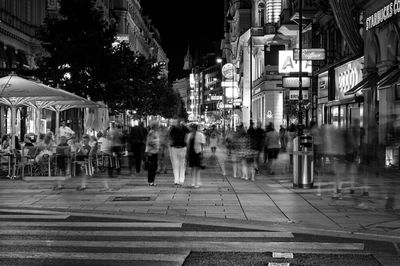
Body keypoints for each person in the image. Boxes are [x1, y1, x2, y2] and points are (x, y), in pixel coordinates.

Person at [169, 118, 190, 186]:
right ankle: (179, 180)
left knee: (178, 165)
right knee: (180, 164)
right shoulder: (181, 128)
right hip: (180, 147)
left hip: (177, 147)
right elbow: (170, 136)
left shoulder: (174, 128)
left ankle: (178, 180)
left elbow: (170, 136)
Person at [186, 123, 206, 188]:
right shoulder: (189, 135)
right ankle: (193, 181)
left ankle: (197, 182)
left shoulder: (200, 135)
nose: (192, 129)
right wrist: (186, 154)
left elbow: (202, 144)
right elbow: (187, 145)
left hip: (197, 152)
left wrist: (202, 153)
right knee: (192, 168)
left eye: (193, 128)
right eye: (191, 128)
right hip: (191, 153)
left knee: (197, 168)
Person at [145, 121, 160, 186]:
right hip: (151, 152)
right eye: (157, 125)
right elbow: (149, 142)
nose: (158, 126)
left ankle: (152, 181)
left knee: (154, 167)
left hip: (155, 151)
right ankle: (151, 181)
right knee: (152, 167)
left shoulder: (155, 132)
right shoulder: (151, 132)